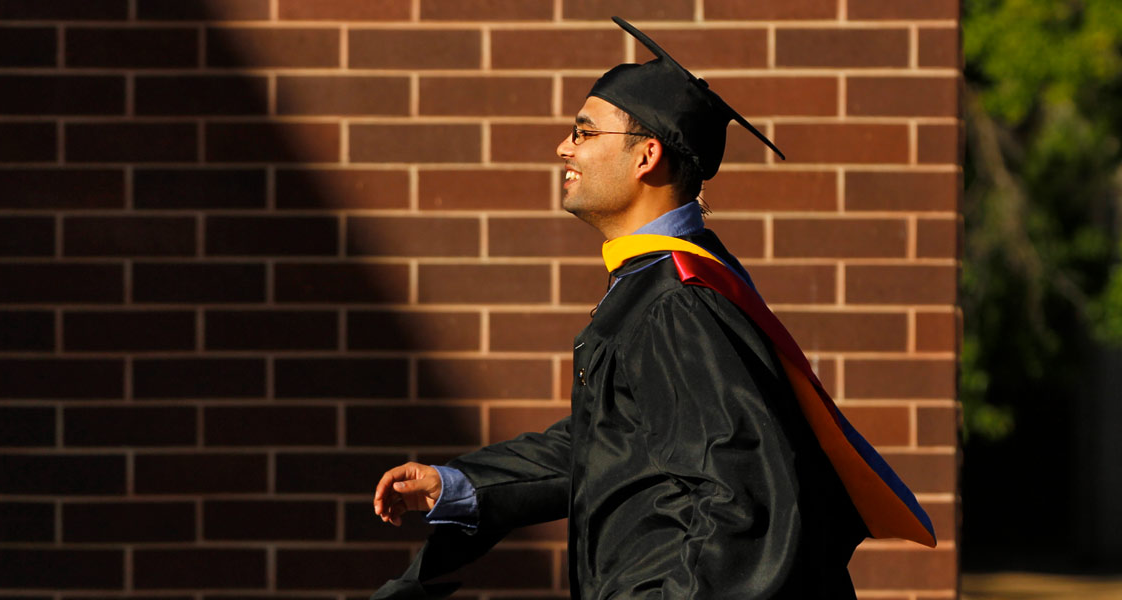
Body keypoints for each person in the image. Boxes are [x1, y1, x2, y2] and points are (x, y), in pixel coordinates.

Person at [368, 17, 936, 599]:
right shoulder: (666, 284)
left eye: (584, 132)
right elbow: (617, 443)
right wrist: (461, 485)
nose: (563, 146)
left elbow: (745, 498)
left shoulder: (678, 304)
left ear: (646, 156)